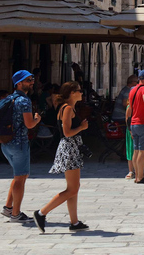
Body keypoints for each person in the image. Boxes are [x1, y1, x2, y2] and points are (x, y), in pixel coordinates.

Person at [33, 82, 89, 233]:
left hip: (72, 148)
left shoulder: (69, 108)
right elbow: (67, 132)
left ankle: (74, 222)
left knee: (73, 188)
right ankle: (41, 213)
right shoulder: (68, 109)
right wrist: (82, 127)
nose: (82, 93)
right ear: (71, 93)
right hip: (69, 148)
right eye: (79, 91)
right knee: (73, 189)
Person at [0, 70, 41, 223]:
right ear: (19, 83)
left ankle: (8, 207)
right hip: (19, 144)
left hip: (6, 143)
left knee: (19, 176)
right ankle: (16, 214)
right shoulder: (24, 101)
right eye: (28, 80)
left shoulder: (10, 99)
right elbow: (29, 124)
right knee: (20, 178)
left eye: (32, 79)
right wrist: (37, 118)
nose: (32, 82)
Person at [113, 75, 139, 179]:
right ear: (132, 83)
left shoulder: (126, 89)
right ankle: (131, 167)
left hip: (125, 119)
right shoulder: (128, 91)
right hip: (121, 118)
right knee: (131, 145)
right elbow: (125, 104)